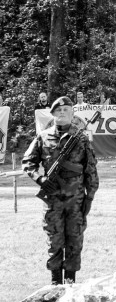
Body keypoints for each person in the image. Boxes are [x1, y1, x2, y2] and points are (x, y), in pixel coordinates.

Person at [22, 96, 99, 285]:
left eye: (66, 110)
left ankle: (71, 283)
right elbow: (28, 162)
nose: (62, 112)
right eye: (59, 110)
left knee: (74, 241)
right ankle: (56, 283)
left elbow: (91, 169)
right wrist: (40, 179)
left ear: (72, 114)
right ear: (53, 114)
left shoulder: (81, 138)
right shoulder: (43, 137)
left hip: (76, 200)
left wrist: (90, 197)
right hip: (53, 200)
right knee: (54, 241)